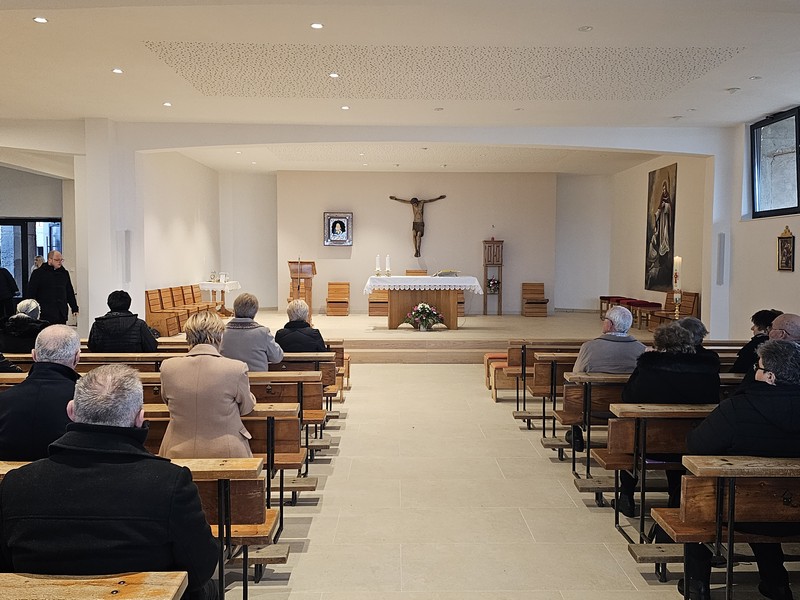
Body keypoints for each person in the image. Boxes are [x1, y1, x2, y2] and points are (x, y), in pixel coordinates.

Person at [0, 364, 219, 600]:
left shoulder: (16, 484)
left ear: (71, 410)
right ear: (140, 418)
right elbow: (200, 568)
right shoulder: (170, 483)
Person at [681, 340, 800, 600]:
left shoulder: (737, 408)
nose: (754, 371)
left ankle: (696, 583)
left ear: (770, 377)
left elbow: (696, 446)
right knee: (769, 498)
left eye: (758, 367)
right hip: (794, 512)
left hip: (739, 512)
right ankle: (776, 581)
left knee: (703, 497)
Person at [615, 322, 720, 518]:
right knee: (678, 437)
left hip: (649, 443)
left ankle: (626, 494)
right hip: (694, 441)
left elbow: (628, 396)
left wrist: (643, 364)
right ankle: (675, 496)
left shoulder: (650, 367)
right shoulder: (706, 368)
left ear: (660, 345)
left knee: (628, 435)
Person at [159, 310, 255, 459]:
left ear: (188, 337)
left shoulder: (168, 367)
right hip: (227, 450)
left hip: (177, 449)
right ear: (219, 336)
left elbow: (167, 401)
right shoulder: (236, 368)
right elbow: (246, 408)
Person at [568, 305, 646, 452]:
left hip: (593, 408)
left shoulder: (589, 347)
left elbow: (576, 376)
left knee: (572, 387)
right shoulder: (642, 350)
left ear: (610, 324)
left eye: (605, 319)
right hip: (629, 407)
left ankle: (575, 429)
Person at [0, 324, 80, 460]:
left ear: (34, 355)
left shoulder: (4, 400)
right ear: (77, 357)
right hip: (66, 472)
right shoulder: (84, 402)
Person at [735, 313, 800, 391]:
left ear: (781, 334)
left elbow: (746, 388)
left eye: (771, 328)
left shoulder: (769, 356)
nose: (768, 332)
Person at [220, 292, 283, 371]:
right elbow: (277, 357)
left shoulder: (222, 333)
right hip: (258, 378)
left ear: (234, 310)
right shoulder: (263, 333)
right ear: (255, 312)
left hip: (230, 378)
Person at [87, 290, 158, 353]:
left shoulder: (97, 325)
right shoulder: (139, 324)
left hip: (103, 363)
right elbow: (151, 347)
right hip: (134, 363)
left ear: (108, 304)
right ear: (129, 304)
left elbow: (92, 347)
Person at [26, 250, 79, 325]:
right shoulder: (38, 273)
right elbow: (31, 292)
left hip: (61, 312)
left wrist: (74, 307)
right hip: (45, 313)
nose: (60, 262)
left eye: (61, 260)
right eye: (57, 260)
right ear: (49, 260)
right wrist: (29, 309)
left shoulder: (64, 273)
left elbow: (69, 291)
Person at [731, 308, 783, 373]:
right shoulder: (782, 345)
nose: (752, 328)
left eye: (755, 325)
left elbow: (738, 368)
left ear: (767, 328)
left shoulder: (754, 345)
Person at [646, 179, 673, 289]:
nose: (664, 190)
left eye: (665, 189)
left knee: (664, 239)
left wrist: (665, 206)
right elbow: (657, 212)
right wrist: (657, 213)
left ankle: (663, 256)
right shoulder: (662, 198)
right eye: (663, 189)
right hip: (661, 223)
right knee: (658, 239)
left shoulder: (668, 201)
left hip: (665, 224)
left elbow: (669, 210)